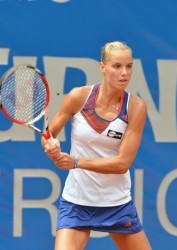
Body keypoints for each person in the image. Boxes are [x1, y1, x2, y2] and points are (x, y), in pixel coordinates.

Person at [42, 41, 152, 250]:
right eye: (117, 66)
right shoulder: (78, 97)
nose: (124, 73)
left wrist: (75, 162)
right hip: (76, 202)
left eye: (129, 66)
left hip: (116, 204)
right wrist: (51, 146)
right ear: (102, 67)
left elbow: (122, 163)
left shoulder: (136, 107)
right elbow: (49, 134)